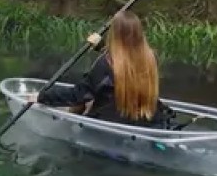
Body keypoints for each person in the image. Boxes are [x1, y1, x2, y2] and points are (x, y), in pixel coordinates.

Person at [28, 10, 175, 128]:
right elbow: (126, 61)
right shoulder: (151, 57)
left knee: (87, 101)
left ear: (114, 33)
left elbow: (79, 94)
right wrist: (100, 46)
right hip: (145, 120)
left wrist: (42, 97)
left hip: (112, 122)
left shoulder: (105, 63)